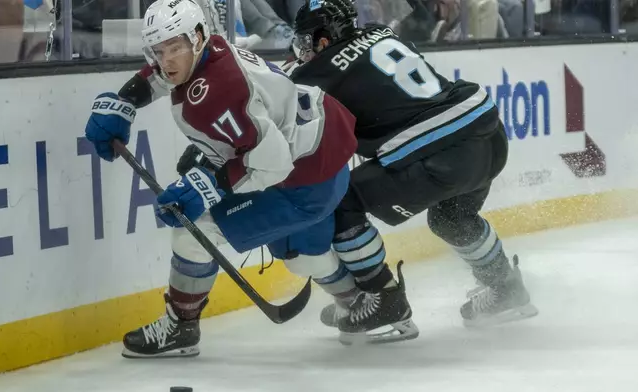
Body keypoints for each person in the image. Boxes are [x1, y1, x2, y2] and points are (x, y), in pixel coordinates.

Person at [84, 0, 359, 358]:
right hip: (323, 158)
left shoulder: (219, 92)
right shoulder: (212, 48)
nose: (166, 61)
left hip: (300, 180)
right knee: (302, 255)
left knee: (193, 226)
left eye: (175, 48)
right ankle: (356, 303)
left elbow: (272, 163)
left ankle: (180, 327)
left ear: (197, 36)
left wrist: (209, 184)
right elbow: (163, 73)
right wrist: (125, 102)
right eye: (158, 50)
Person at [286, 0, 538, 339]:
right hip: (488, 135)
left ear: (323, 39)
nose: (303, 52)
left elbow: (287, 96)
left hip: (444, 155)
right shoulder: (380, 33)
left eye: (306, 43)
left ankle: (385, 303)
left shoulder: (315, 72)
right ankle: (506, 288)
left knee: (342, 199)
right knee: (452, 218)